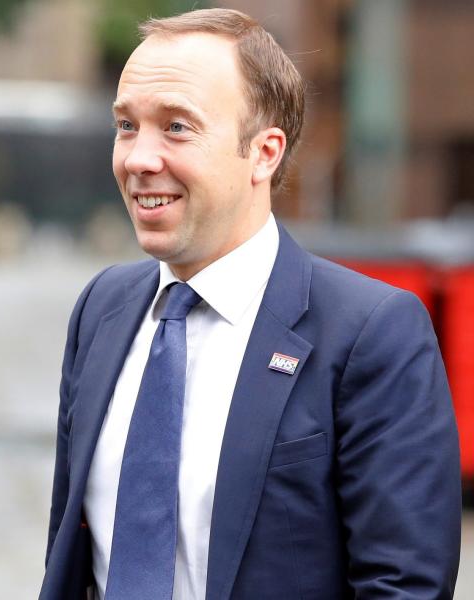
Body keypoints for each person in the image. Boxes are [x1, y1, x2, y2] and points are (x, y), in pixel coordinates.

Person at [41, 8, 460, 600]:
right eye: (127, 125)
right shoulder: (102, 308)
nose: (138, 158)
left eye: (178, 127)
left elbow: (404, 586)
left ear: (264, 153)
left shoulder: (371, 332)